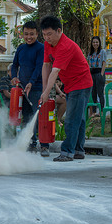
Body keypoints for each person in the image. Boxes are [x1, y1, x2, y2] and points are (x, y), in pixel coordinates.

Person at [39, 16, 93, 162]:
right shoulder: (47, 44)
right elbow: (46, 66)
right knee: (79, 119)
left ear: (59, 31)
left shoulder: (65, 46)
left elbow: (54, 72)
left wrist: (46, 92)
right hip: (70, 84)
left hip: (81, 83)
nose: (46, 38)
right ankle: (78, 151)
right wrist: (45, 90)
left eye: (49, 34)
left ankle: (67, 152)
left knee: (71, 120)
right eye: (44, 34)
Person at [11, 21, 49, 157]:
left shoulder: (41, 48)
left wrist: (31, 83)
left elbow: (39, 67)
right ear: (22, 34)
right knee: (26, 116)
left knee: (39, 117)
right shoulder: (21, 49)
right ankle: (31, 143)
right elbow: (14, 65)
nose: (29, 37)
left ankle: (44, 146)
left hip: (36, 88)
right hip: (22, 88)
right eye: (26, 34)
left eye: (32, 34)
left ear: (37, 34)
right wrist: (14, 77)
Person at [87, 36, 107, 117]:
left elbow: (104, 63)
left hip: (99, 73)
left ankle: (102, 111)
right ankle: (94, 111)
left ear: (99, 43)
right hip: (92, 73)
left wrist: (102, 74)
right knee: (93, 93)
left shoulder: (102, 52)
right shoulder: (90, 53)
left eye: (97, 42)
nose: (95, 44)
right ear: (92, 43)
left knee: (100, 93)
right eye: (94, 42)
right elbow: (88, 64)